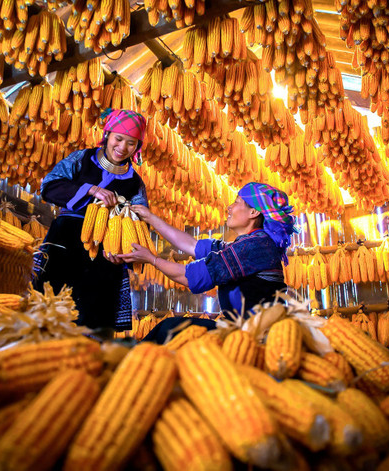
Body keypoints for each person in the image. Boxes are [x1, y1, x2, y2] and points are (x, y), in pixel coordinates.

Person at [113, 182, 297, 340]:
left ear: (253, 212)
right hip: (241, 331)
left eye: (237, 202)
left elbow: (189, 277)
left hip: (254, 336)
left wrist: (151, 259)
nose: (230, 207)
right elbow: (192, 246)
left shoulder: (255, 246)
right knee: (170, 329)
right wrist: (150, 218)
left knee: (169, 330)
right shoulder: (247, 243)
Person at [35, 108, 148, 331]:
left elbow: (140, 221)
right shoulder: (81, 159)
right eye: (119, 138)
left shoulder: (135, 182)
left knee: (94, 319)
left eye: (131, 143)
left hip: (104, 254)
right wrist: (90, 190)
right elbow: (48, 186)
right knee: (49, 309)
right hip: (64, 244)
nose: (123, 147)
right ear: (107, 135)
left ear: (138, 146)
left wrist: (124, 256)